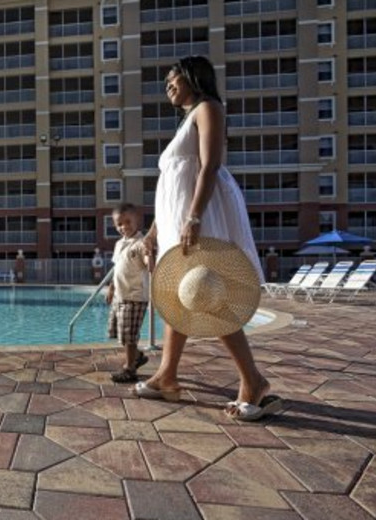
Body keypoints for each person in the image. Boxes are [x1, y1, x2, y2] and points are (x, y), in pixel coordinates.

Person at [137, 56, 280, 420]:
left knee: (207, 293)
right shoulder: (187, 119)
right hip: (177, 220)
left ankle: (254, 382)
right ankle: (167, 375)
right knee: (178, 296)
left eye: (173, 79)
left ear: (192, 78)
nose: (167, 86)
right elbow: (170, 188)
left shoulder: (208, 107)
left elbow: (210, 165)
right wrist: (153, 232)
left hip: (199, 216)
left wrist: (195, 217)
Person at [106, 203, 152, 383]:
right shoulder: (119, 244)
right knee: (121, 333)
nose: (123, 227)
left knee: (129, 335)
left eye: (128, 222)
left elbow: (148, 262)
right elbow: (116, 268)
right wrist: (111, 288)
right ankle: (137, 356)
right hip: (120, 295)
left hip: (134, 296)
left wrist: (150, 255)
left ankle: (130, 368)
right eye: (119, 224)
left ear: (137, 220)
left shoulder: (141, 243)